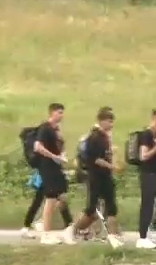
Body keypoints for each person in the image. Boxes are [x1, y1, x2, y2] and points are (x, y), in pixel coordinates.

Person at [71, 108, 123, 248]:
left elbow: (107, 155)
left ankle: (113, 236)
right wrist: (112, 167)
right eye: (109, 121)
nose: (111, 125)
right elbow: (96, 159)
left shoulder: (105, 137)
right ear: (101, 121)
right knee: (91, 210)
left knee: (111, 206)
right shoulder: (94, 138)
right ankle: (73, 230)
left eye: (112, 122)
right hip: (95, 177)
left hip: (106, 177)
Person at [34, 103, 76, 245]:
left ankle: (63, 226)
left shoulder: (56, 129)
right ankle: (45, 234)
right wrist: (53, 156)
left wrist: (62, 156)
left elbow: (59, 146)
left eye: (62, 112)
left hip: (57, 166)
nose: (61, 115)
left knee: (62, 196)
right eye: (59, 112)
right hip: (48, 166)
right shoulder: (45, 128)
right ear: (51, 113)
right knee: (51, 198)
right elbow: (38, 147)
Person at [135, 110, 156, 249]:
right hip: (148, 174)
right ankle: (142, 237)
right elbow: (143, 156)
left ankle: (151, 231)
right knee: (147, 204)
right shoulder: (146, 135)